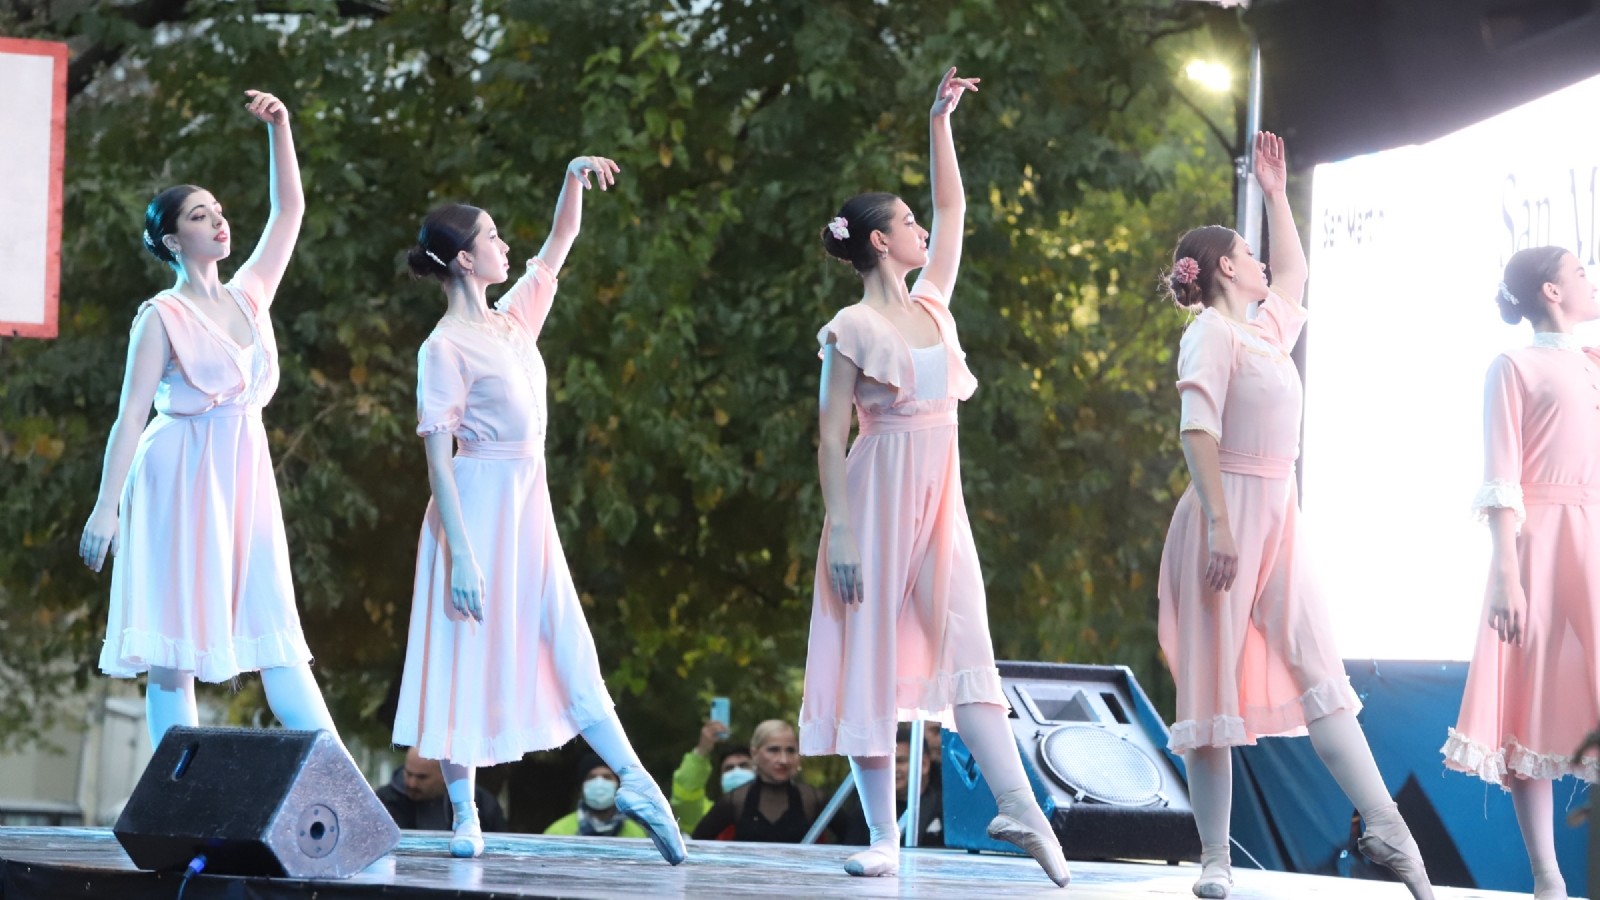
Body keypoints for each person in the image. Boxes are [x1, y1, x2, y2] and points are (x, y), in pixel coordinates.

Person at [798, 67, 1068, 886]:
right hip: (875, 495)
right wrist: (840, 531)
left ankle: (1020, 805)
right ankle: (883, 835)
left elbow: (953, 210)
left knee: (969, 645)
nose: (920, 229)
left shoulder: (934, 304)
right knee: (870, 655)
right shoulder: (852, 324)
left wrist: (940, 123)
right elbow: (829, 432)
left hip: (938, 499)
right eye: (905, 223)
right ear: (879, 241)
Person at [1156, 132, 1433, 900]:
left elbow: (1299, 273)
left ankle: (1387, 827)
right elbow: (1196, 432)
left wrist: (1278, 194)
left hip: (1281, 514)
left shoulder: (1264, 330)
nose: (1261, 260)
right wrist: (1218, 523)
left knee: (1321, 669)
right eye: (1247, 251)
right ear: (1220, 270)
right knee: (1210, 688)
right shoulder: (1209, 332)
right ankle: (1216, 857)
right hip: (1227, 516)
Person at [391, 156, 683, 864]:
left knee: (566, 640)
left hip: (526, 505)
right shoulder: (445, 347)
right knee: (462, 651)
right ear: (464, 259)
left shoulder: (512, 321)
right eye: (492, 238)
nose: (505, 246)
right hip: (474, 510)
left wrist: (572, 179)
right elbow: (437, 459)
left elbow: (558, 247)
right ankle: (464, 813)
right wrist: (461, 553)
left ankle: (640, 782)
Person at [79, 90, 345, 752]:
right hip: (176, 474)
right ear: (174, 239)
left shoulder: (250, 295)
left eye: (220, 211)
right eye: (201, 215)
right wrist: (105, 511)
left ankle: (344, 795)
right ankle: (177, 797)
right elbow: (130, 416)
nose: (220, 222)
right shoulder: (161, 316)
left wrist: (280, 127)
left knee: (278, 629)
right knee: (176, 646)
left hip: (243, 473)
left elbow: (290, 211)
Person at [1442, 246, 1600, 900]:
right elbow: (1502, 475)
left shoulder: (1593, 363)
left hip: (1595, 533)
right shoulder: (1513, 366)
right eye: (1581, 271)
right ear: (1552, 292)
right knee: (1527, 699)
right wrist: (1506, 573)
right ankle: (1547, 878)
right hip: (1541, 543)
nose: (1591, 279)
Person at [691, 719, 841, 843]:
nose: (784, 760)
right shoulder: (736, 800)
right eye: (773, 750)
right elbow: (697, 844)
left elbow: (854, 840)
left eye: (790, 750)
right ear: (754, 753)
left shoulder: (813, 799)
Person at [377, 747, 507, 832]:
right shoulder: (383, 802)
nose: (412, 783)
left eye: (422, 777)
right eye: (409, 774)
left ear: (445, 776)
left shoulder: (480, 803)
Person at [670, 718, 755, 830]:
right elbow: (686, 795)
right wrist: (702, 751)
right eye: (729, 768)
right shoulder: (707, 815)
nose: (736, 771)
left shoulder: (775, 811)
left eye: (744, 766)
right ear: (721, 779)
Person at [545, 754, 649, 839]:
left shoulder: (636, 834)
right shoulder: (558, 832)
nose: (599, 783)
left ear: (618, 786)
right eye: (591, 777)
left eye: (607, 777)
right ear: (581, 788)